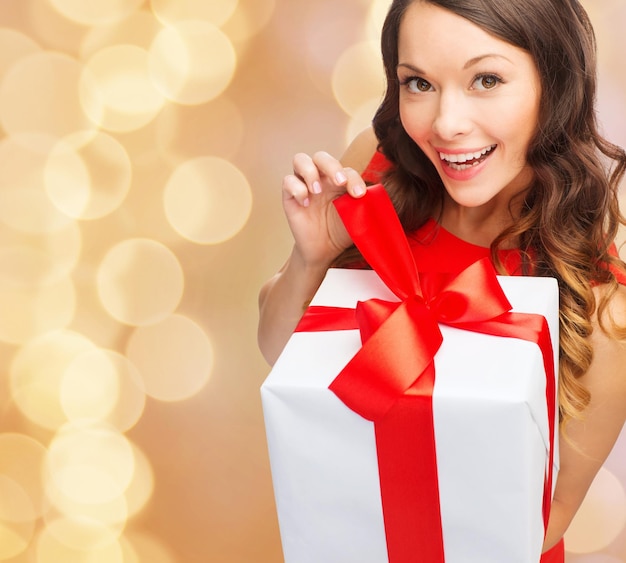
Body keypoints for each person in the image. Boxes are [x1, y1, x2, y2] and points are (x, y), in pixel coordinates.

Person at [258, 0, 626, 560]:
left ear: (555, 85)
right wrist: (311, 257)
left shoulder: (604, 310)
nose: (446, 124)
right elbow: (279, 353)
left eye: (486, 79)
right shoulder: (376, 172)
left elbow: (541, 524)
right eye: (418, 83)